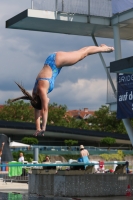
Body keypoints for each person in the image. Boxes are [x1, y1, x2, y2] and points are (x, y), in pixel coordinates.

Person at [11, 44, 114, 136]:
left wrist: (44, 128)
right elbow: (37, 112)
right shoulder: (35, 95)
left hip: (56, 61)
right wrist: (37, 128)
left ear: (42, 100)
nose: (48, 101)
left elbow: (45, 110)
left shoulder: (42, 91)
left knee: (83, 53)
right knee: (81, 54)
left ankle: (103, 49)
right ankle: (100, 48)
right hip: (52, 60)